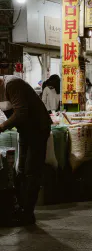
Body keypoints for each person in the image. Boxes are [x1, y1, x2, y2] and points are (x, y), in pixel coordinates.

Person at [0, 75, 52, 225]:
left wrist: (2, 127)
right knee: (21, 169)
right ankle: (21, 209)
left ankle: (28, 213)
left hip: (38, 128)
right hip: (24, 130)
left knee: (31, 170)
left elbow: (21, 112)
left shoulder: (12, 84)